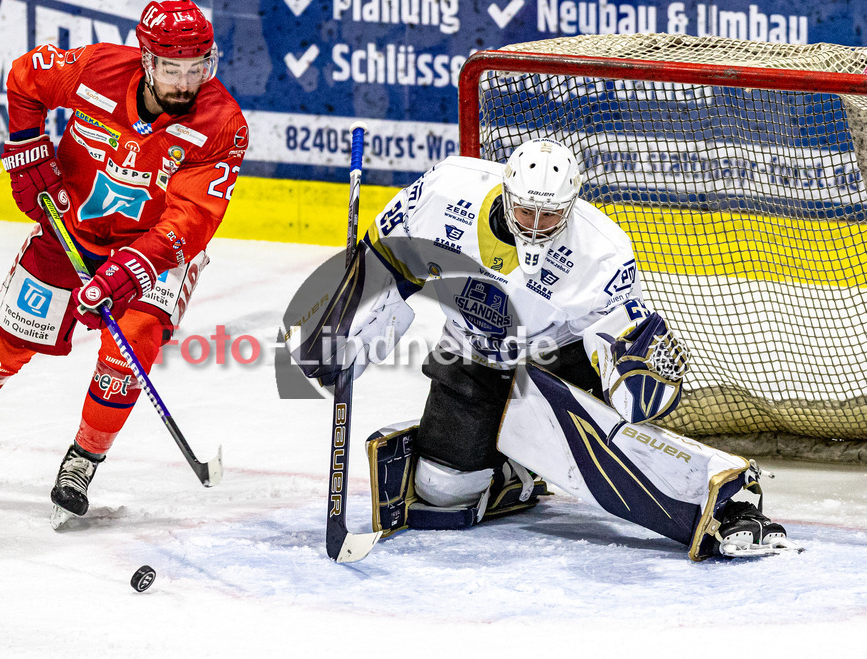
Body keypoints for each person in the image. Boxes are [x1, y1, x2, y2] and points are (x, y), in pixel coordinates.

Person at [287, 138, 801, 559]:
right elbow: (385, 260)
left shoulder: (602, 251)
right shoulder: (447, 191)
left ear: (571, 204)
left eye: (549, 216)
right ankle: (515, 473)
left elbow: (625, 340)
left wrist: (637, 373)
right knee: (443, 497)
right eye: (526, 211)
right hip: (472, 354)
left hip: (560, 361)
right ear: (506, 192)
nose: (535, 225)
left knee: (594, 443)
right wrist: (346, 323)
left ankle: (729, 495)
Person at [0, 0, 248, 526]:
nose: (186, 82)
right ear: (146, 60)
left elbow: (191, 218)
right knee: (9, 334)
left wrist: (134, 266)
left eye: (198, 68)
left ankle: (83, 459)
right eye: (172, 68)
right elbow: (26, 76)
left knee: (132, 343)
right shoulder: (98, 69)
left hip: (153, 248)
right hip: (68, 227)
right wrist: (27, 146)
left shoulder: (222, 124)